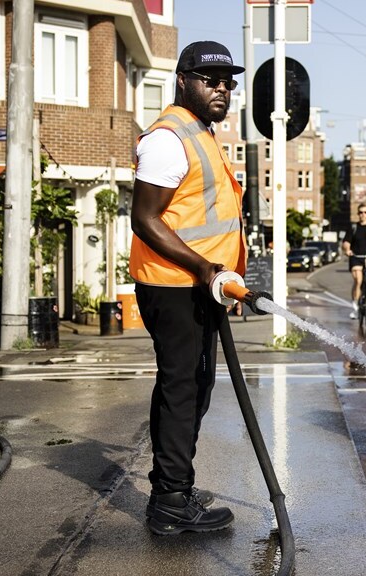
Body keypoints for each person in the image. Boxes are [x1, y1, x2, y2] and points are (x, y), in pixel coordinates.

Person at [128, 40, 246, 535]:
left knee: (194, 386)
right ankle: (171, 501)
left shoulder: (202, 133)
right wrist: (205, 270)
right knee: (182, 387)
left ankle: (173, 486)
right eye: (209, 79)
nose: (221, 89)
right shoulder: (167, 138)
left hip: (200, 286)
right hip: (175, 285)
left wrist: (227, 272)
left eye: (228, 82)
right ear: (183, 80)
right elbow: (145, 220)